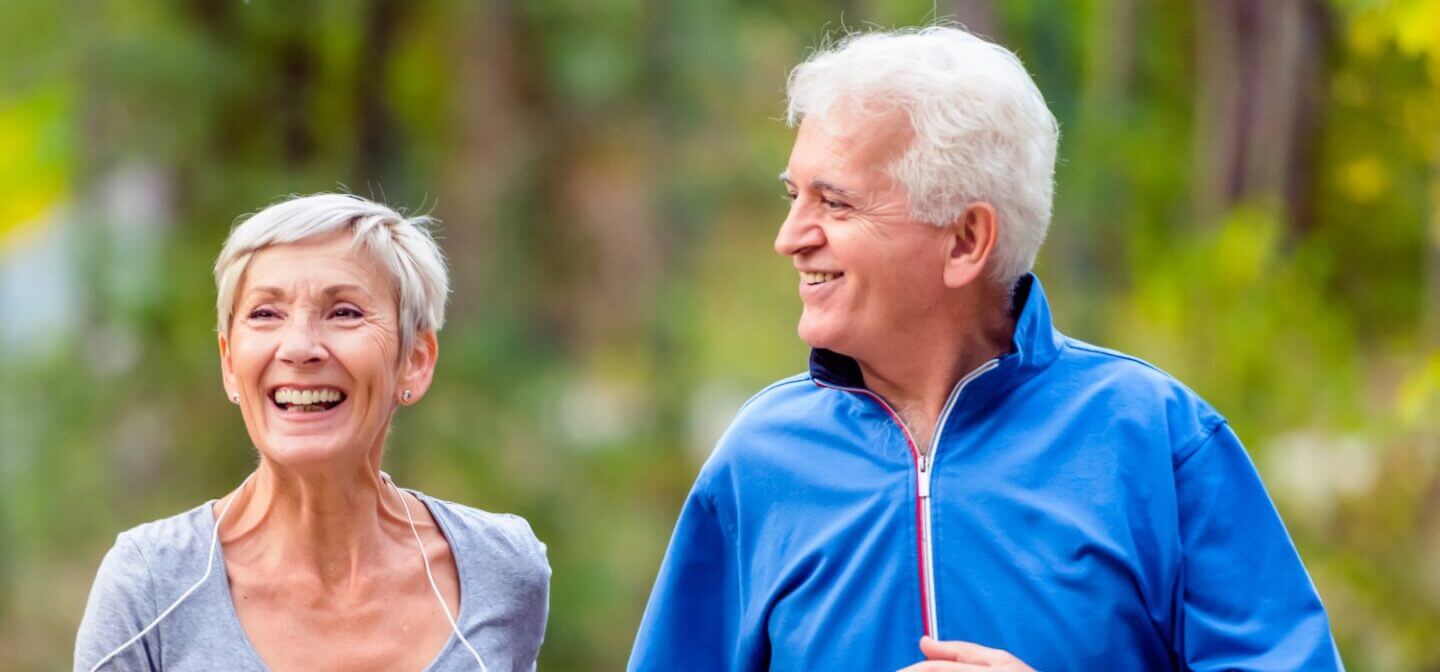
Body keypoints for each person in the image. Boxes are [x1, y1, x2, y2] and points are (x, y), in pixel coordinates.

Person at [629, 26, 1342, 671]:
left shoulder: (1157, 439)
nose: (790, 237)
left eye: (835, 203)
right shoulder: (758, 460)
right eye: (794, 196)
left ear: (966, 240)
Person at [75, 193, 550, 671]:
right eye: (265, 314)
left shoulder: (503, 568)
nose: (299, 348)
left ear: (415, 361)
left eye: (344, 312)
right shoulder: (152, 585)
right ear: (228, 364)